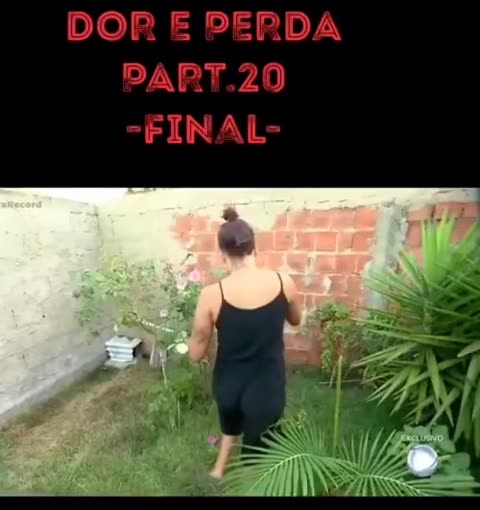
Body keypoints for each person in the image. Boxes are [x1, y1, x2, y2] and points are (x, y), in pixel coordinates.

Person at [187, 207, 302, 480]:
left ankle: (221, 469)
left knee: (230, 419)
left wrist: (196, 345)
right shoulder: (284, 283)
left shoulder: (211, 295)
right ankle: (237, 474)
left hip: (228, 386)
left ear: (222, 254)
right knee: (257, 446)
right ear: (254, 248)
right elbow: (296, 320)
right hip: (267, 387)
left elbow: (196, 353)